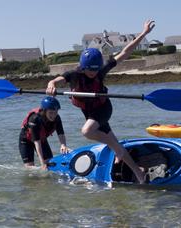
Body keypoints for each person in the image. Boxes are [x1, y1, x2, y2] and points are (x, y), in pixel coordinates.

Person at [46, 20, 155, 183]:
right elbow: (56, 80)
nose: (93, 73)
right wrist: (51, 85)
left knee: (87, 131)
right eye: (90, 69)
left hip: (103, 109)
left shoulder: (100, 71)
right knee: (114, 143)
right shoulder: (74, 75)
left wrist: (144, 33)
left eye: (96, 69)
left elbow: (125, 52)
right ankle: (138, 172)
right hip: (89, 112)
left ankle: (116, 149)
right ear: (83, 67)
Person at [19, 96, 69, 170]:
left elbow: (61, 133)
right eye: (51, 113)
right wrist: (42, 163)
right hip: (26, 141)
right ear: (44, 111)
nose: (53, 115)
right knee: (30, 168)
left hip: (41, 139)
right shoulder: (35, 119)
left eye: (56, 112)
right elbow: (37, 142)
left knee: (50, 164)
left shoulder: (57, 118)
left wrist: (63, 145)